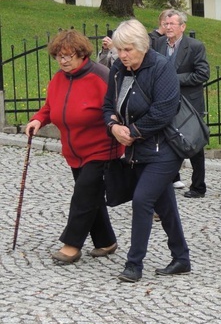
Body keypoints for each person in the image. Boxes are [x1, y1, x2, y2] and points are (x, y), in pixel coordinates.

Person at [103, 19, 191, 283]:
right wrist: (113, 127)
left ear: (142, 46)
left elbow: (163, 111)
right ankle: (182, 257)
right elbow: (108, 105)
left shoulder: (161, 67)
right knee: (165, 204)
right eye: (119, 49)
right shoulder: (118, 69)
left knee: (142, 200)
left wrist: (131, 131)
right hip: (137, 150)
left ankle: (134, 264)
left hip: (164, 150)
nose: (122, 55)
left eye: (128, 49)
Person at [25, 30, 122, 264]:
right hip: (74, 151)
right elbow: (50, 107)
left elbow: (118, 107)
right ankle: (106, 241)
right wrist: (38, 119)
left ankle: (72, 245)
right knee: (91, 195)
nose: (63, 61)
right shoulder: (59, 78)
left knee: (83, 195)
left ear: (81, 54)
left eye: (68, 56)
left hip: (101, 148)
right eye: (59, 56)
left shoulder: (101, 76)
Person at [153, 10, 210, 199]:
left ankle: (198, 186)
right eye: (165, 23)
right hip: (165, 101)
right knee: (166, 141)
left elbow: (202, 74)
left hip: (188, 104)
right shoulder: (158, 44)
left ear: (182, 27)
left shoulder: (194, 46)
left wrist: (173, 79)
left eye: (172, 24)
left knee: (194, 144)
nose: (168, 27)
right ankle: (167, 181)